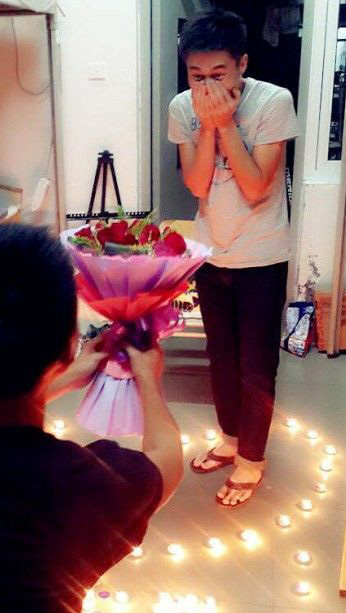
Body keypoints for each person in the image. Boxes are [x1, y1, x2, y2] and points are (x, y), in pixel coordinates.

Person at [0, 224, 183, 613]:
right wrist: (148, 378)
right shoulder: (76, 485)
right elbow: (168, 457)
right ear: (71, 341)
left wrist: (65, 377)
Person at [168, 9, 299, 507]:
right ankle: (229, 439)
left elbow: (255, 185)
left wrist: (224, 125)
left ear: (242, 64)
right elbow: (197, 184)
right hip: (211, 251)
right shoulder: (182, 107)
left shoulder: (273, 102)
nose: (207, 86)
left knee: (256, 365)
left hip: (261, 253)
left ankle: (252, 460)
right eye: (196, 76)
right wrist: (206, 127)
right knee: (220, 358)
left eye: (218, 74)